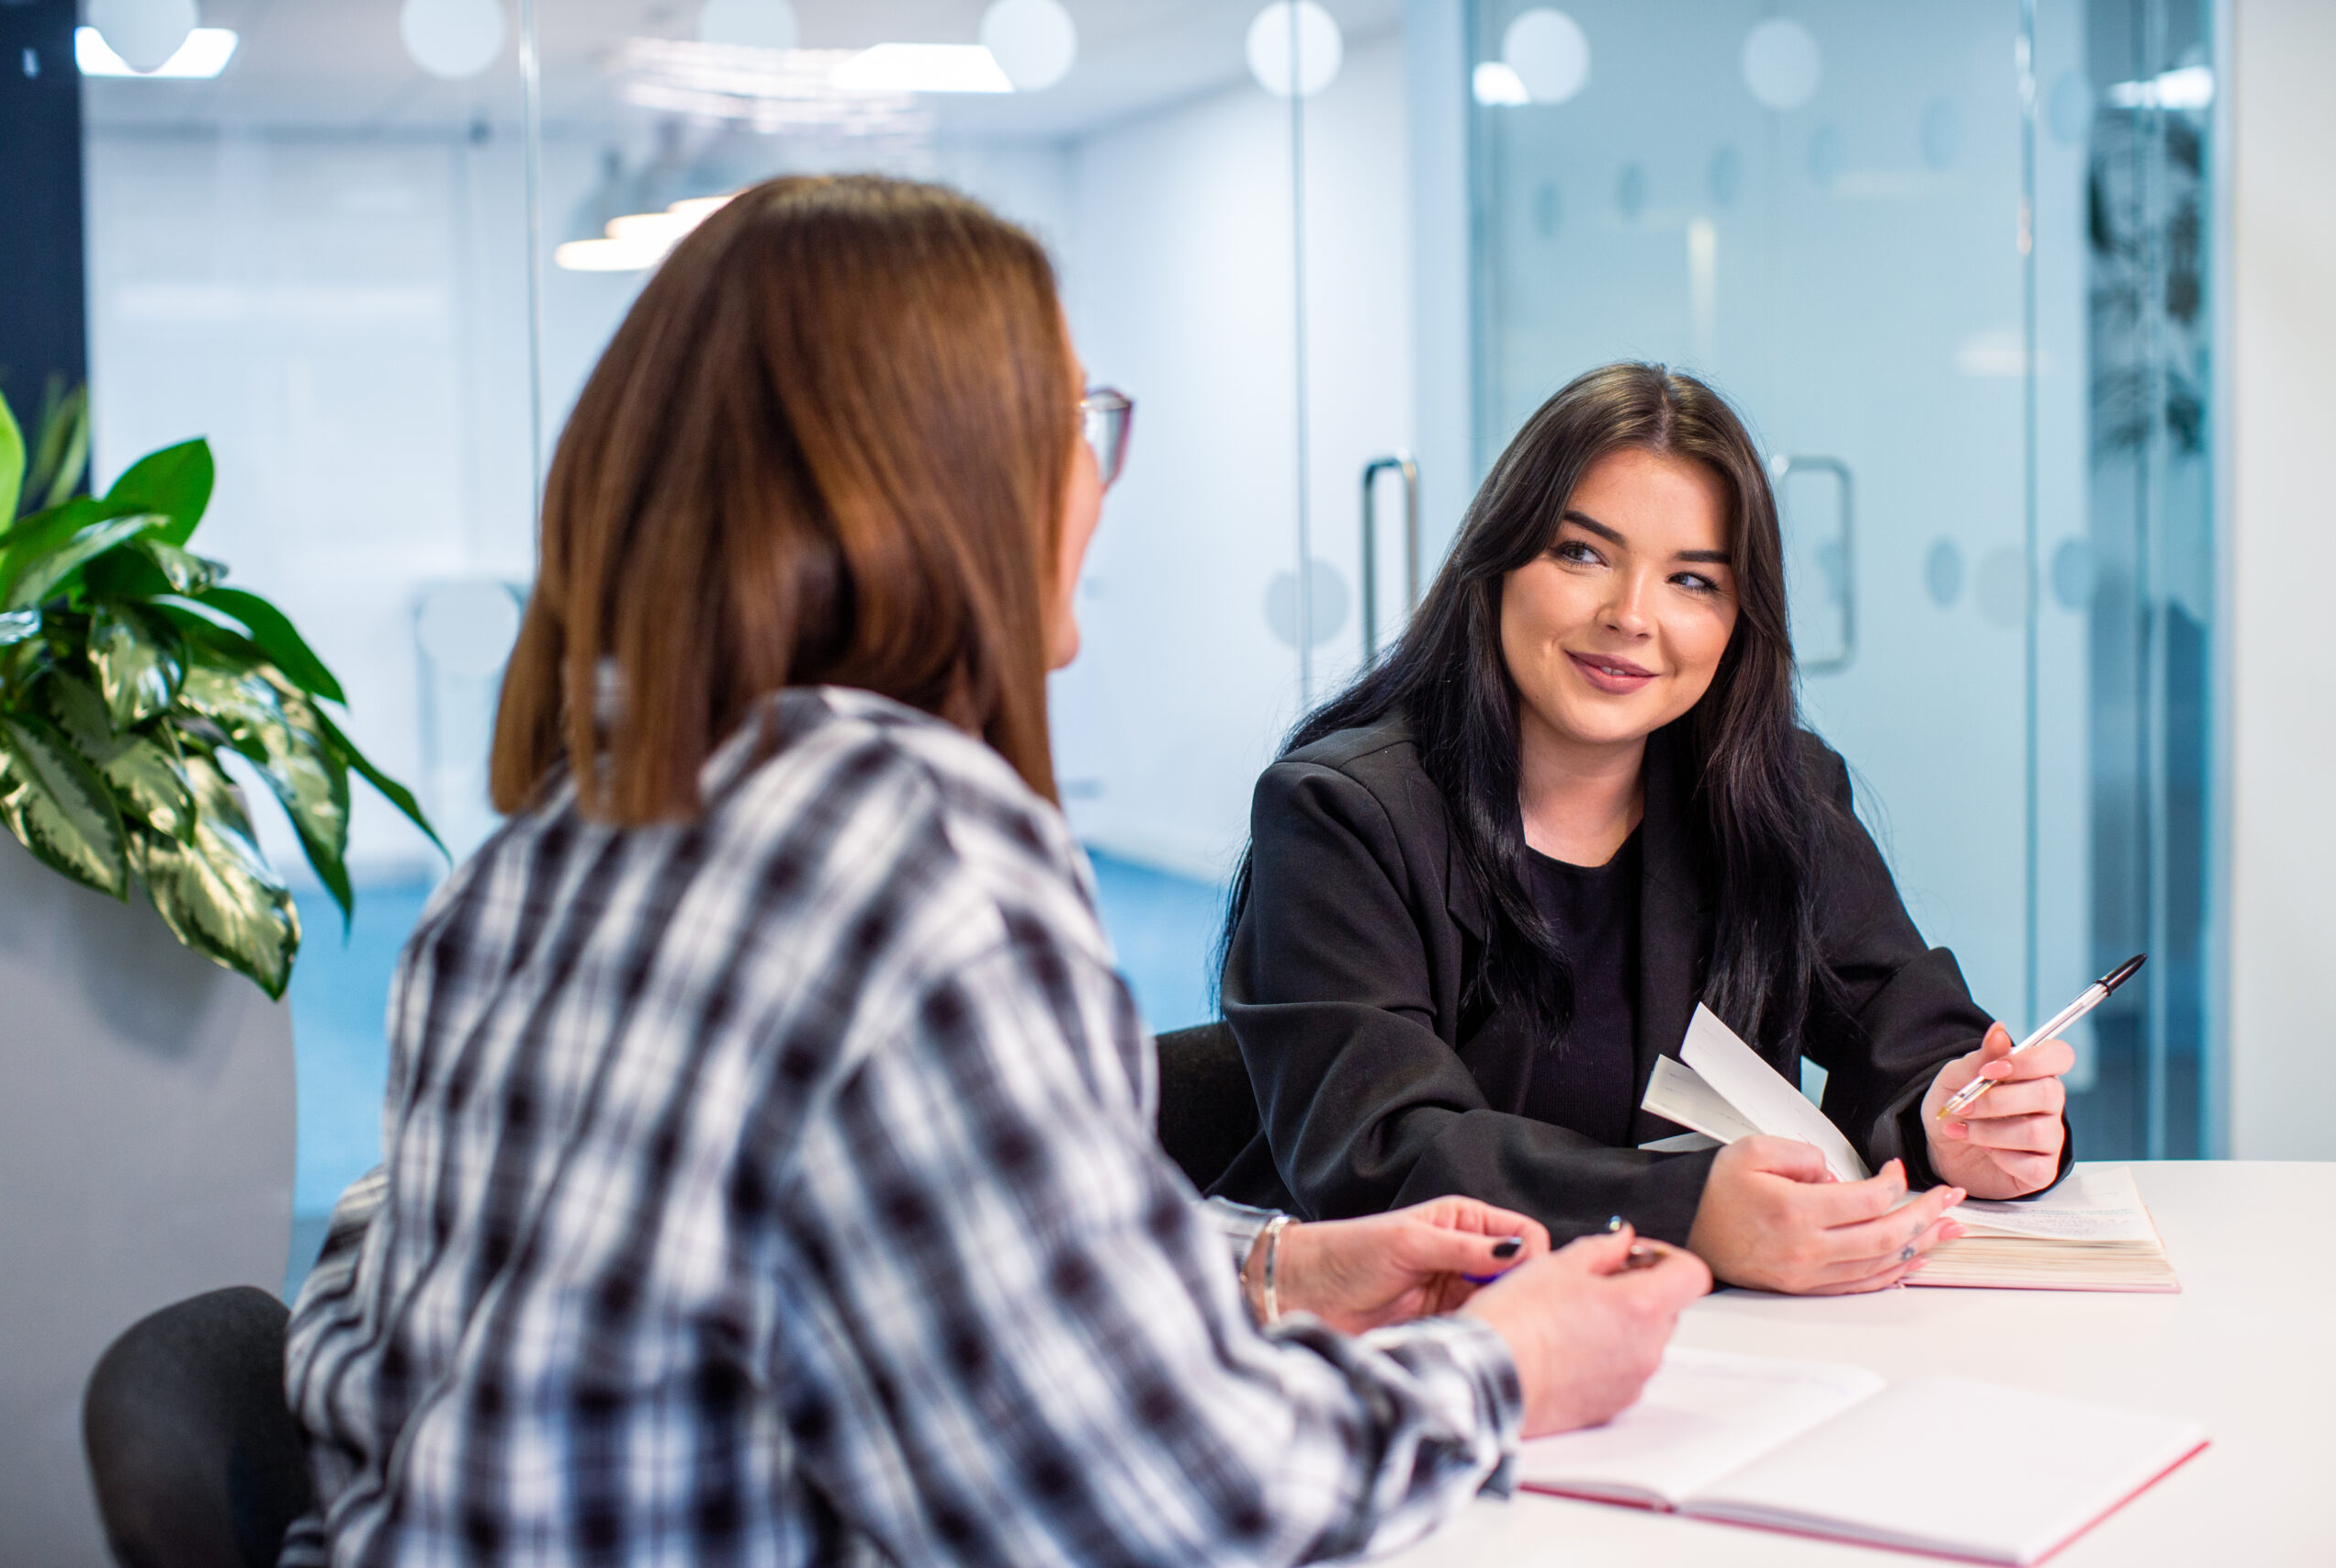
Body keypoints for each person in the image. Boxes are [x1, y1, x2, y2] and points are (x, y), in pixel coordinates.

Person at [281, 179, 1710, 1568]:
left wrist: (1263, 1278)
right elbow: (1159, 1498)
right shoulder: (911, 863)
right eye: (1078, 425)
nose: (1096, 481)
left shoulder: (538, 855)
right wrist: (1503, 1367)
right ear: (943, 477)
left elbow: (745, 1280)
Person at [1211, 363, 2077, 1297]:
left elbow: (1904, 1032)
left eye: (1692, 580)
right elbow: (1382, 1154)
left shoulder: (1773, 794)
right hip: (1422, 1359)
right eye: (1581, 554)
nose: (1630, 617)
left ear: (1737, 620)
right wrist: (1684, 1211)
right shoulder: (1339, 816)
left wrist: (1958, 1117)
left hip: (1716, 1362)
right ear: (1497, 564)